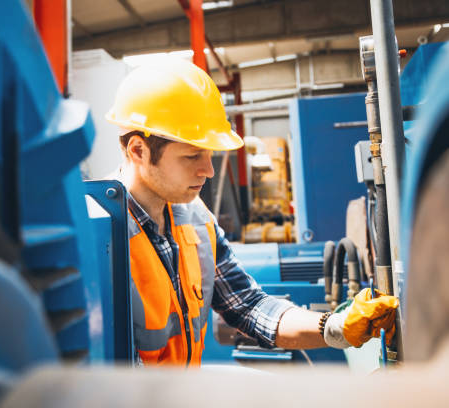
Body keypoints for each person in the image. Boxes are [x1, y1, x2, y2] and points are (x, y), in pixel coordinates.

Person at [105, 57, 399, 366]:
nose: (209, 170)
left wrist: (333, 327)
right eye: (192, 156)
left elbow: (246, 304)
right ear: (139, 150)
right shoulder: (100, 236)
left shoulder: (194, 218)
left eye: (209, 155)